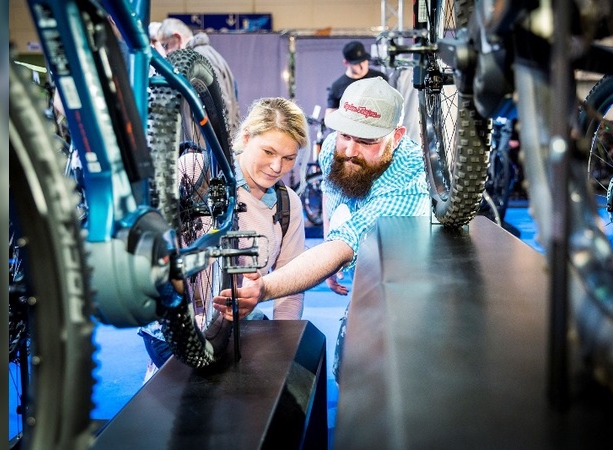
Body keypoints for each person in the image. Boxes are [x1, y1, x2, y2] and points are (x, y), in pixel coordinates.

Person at [213, 78, 430, 382]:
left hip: (406, 277)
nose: (350, 150)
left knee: (375, 377)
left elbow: (342, 247)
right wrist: (329, 245)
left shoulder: (411, 182)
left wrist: (265, 288)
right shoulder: (334, 148)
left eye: (367, 142)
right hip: (356, 259)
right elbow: (333, 194)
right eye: (345, 136)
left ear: (397, 136)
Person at [138, 97, 309, 380]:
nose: (277, 167)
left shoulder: (287, 205)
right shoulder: (196, 170)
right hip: (179, 334)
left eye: (289, 158)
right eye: (268, 151)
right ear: (246, 137)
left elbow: (291, 286)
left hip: (242, 337)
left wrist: (285, 351)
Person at [158, 18, 241, 134]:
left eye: (165, 45)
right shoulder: (206, 53)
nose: (166, 52)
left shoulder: (199, 57)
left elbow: (221, 104)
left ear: (177, 38)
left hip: (210, 147)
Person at [325, 41, 388, 118]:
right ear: (346, 63)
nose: (362, 66)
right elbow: (329, 115)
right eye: (356, 63)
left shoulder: (380, 78)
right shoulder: (337, 86)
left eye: (364, 61)